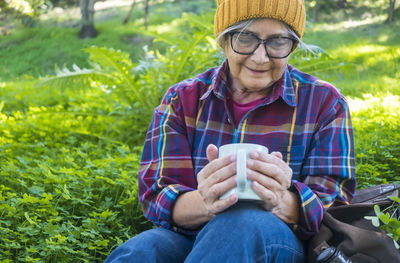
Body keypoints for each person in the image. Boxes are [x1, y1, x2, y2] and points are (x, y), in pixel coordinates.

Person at [105, 0, 356, 262]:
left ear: (293, 45)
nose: (260, 57)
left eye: (278, 41)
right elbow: (156, 196)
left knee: (241, 226)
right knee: (140, 251)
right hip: (190, 234)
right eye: (245, 38)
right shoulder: (182, 100)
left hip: (278, 240)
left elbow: (334, 206)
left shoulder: (324, 103)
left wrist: (280, 199)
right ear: (224, 39)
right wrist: (207, 201)